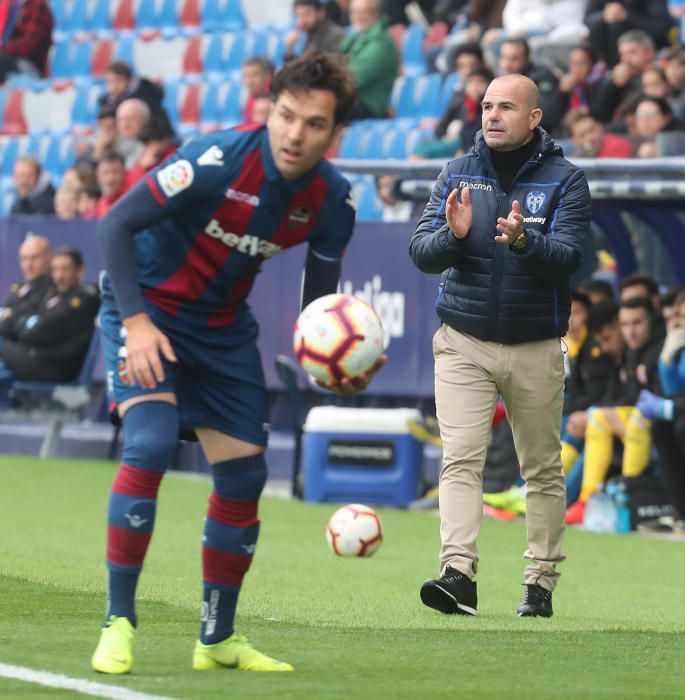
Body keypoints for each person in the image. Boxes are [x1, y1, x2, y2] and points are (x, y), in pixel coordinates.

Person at [91, 49, 383, 675]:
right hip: (146, 311)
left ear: (336, 134)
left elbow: (318, 313)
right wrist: (136, 322)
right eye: (286, 116)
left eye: (312, 124)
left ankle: (216, 639)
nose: (294, 133)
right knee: (148, 444)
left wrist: (339, 365)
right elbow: (116, 224)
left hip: (220, 331)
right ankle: (118, 621)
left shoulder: (333, 202)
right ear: (268, 111)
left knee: (246, 476)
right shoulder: (216, 158)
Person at [409, 74, 590, 618]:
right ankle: (457, 574)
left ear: (534, 117)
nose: (491, 115)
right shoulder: (455, 172)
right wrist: (455, 236)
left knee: (541, 468)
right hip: (463, 341)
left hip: (535, 345)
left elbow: (572, 259)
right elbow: (421, 251)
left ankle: (539, 583)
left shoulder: (567, 180)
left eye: (506, 107)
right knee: (460, 457)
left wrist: (525, 241)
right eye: (487, 105)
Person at [0, 246, 99, 384]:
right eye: (55, 269)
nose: (59, 276)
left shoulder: (82, 299)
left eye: (65, 269)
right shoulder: (53, 294)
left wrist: (21, 324)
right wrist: (24, 323)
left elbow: (35, 332)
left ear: (79, 271)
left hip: (54, 368)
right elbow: (26, 317)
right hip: (35, 356)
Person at [339, 0, 399, 120]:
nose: (358, 17)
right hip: (352, 100)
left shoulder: (380, 44)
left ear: (376, 14)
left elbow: (351, 79)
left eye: (364, 12)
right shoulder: (356, 37)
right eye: (354, 12)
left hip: (370, 106)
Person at [584, 0, 674, 69]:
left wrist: (626, 16)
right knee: (598, 28)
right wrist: (605, 15)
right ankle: (612, 70)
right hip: (611, 56)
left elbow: (661, 27)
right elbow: (587, 19)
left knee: (616, 26)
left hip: (647, 43)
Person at [0, 235, 52, 339]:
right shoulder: (20, 287)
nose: (28, 264)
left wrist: (12, 315)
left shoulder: (56, 288)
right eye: (24, 259)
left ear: (49, 258)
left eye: (34, 258)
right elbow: (5, 311)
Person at [0, 0, 54, 82]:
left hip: (29, 68)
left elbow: (27, 47)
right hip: (13, 61)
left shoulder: (37, 7)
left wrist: (3, 48)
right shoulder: (20, 7)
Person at [564, 108, 633, 158]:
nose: (590, 137)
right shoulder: (576, 158)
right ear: (575, 141)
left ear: (599, 127)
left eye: (592, 130)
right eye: (583, 135)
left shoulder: (617, 146)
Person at [241, 56, 275, 123]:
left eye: (254, 75)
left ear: (268, 76)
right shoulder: (250, 98)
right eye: (245, 76)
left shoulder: (274, 101)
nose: (249, 82)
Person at [95, 151, 128, 218]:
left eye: (115, 172)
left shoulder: (131, 197)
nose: (110, 178)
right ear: (97, 176)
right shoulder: (100, 204)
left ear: (124, 173)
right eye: (105, 173)